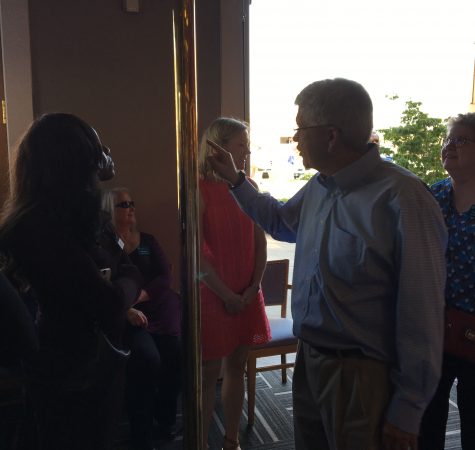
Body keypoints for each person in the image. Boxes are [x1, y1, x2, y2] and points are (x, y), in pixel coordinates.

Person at [207, 78, 448, 450]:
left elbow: (422, 312)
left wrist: (409, 408)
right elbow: (281, 222)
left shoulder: (402, 198)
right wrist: (236, 179)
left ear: (331, 136)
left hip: (362, 377)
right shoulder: (321, 185)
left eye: (301, 128)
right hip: (311, 361)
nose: (296, 138)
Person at [0, 113, 138, 450]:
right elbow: (110, 303)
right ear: (77, 162)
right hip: (72, 372)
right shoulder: (42, 231)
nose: (105, 155)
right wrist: (131, 277)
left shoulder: (48, 218)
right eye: (96, 149)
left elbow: (113, 263)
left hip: (65, 365)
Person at [199, 118, 271, 450]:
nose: (247, 150)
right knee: (208, 374)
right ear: (219, 147)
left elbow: (260, 243)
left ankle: (231, 439)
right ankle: (199, 441)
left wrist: (254, 287)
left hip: (246, 291)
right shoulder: (196, 189)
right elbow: (196, 258)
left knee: (237, 368)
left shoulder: (248, 187)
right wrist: (227, 294)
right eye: (241, 144)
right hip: (214, 295)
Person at [103, 187, 181, 450]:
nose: (131, 208)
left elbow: (165, 276)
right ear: (109, 211)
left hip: (158, 309)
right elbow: (105, 289)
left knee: (175, 355)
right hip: (129, 317)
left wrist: (141, 297)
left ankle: (166, 422)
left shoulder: (147, 241)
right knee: (147, 360)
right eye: (124, 205)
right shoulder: (104, 247)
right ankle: (141, 432)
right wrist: (126, 309)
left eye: (132, 203)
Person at [419, 113, 475, 450]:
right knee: (426, 418)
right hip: (432, 329)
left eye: (461, 140)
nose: (449, 146)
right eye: (447, 140)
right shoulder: (431, 197)